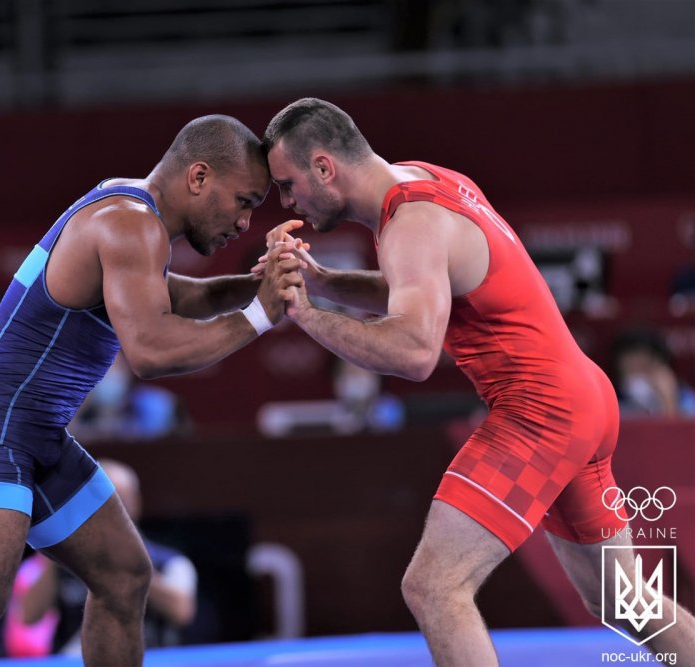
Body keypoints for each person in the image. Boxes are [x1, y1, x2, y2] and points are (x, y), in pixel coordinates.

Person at [257, 97, 695, 666]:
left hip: (540, 411)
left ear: (324, 167)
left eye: (287, 185)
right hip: (582, 395)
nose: (286, 202)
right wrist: (322, 282)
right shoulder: (425, 180)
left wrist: (304, 314)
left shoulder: (409, 226)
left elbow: (414, 352)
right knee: (623, 600)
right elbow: (419, 286)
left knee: (434, 588)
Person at [0, 114, 290, 667]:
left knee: (124, 577)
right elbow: (151, 351)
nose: (244, 222)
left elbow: (175, 297)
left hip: (34, 433)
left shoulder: (132, 213)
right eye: (244, 201)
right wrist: (261, 316)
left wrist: (254, 286)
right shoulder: (129, 224)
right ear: (198, 177)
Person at [25, 459, 197, 655]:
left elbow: (182, 611)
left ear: (135, 502)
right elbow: (28, 616)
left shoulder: (170, 561)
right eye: (95, 502)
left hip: (148, 659)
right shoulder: (67, 561)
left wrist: (131, 564)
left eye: (118, 500)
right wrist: (56, 552)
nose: (107, 511)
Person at [70, 353, 189, 441]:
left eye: (113, 367)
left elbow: (155, 440)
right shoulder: (79, 406)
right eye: (99, 370)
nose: (107, 376)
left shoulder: (153, 403)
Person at [610, 327, 695, 418]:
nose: (635, 366)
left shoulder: (686, 397)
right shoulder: (610, 399)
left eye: (643, 366)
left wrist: (668, 400)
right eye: (630, 363)